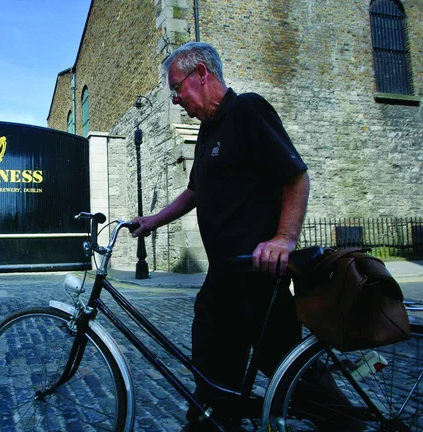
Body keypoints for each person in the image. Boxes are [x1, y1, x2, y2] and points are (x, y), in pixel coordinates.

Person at [131, 42, 310, 431]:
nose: (175, 99)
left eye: (176, 87)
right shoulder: (208, 130)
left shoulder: (247, 110)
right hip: (225, 276)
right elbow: (194, 192)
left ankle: (349, 421)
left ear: (201, 73)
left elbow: (296, 176)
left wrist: (284, 238)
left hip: (259, 275)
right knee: (211, 364)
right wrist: (153, 221)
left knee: (294, 374)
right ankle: (212, 421)